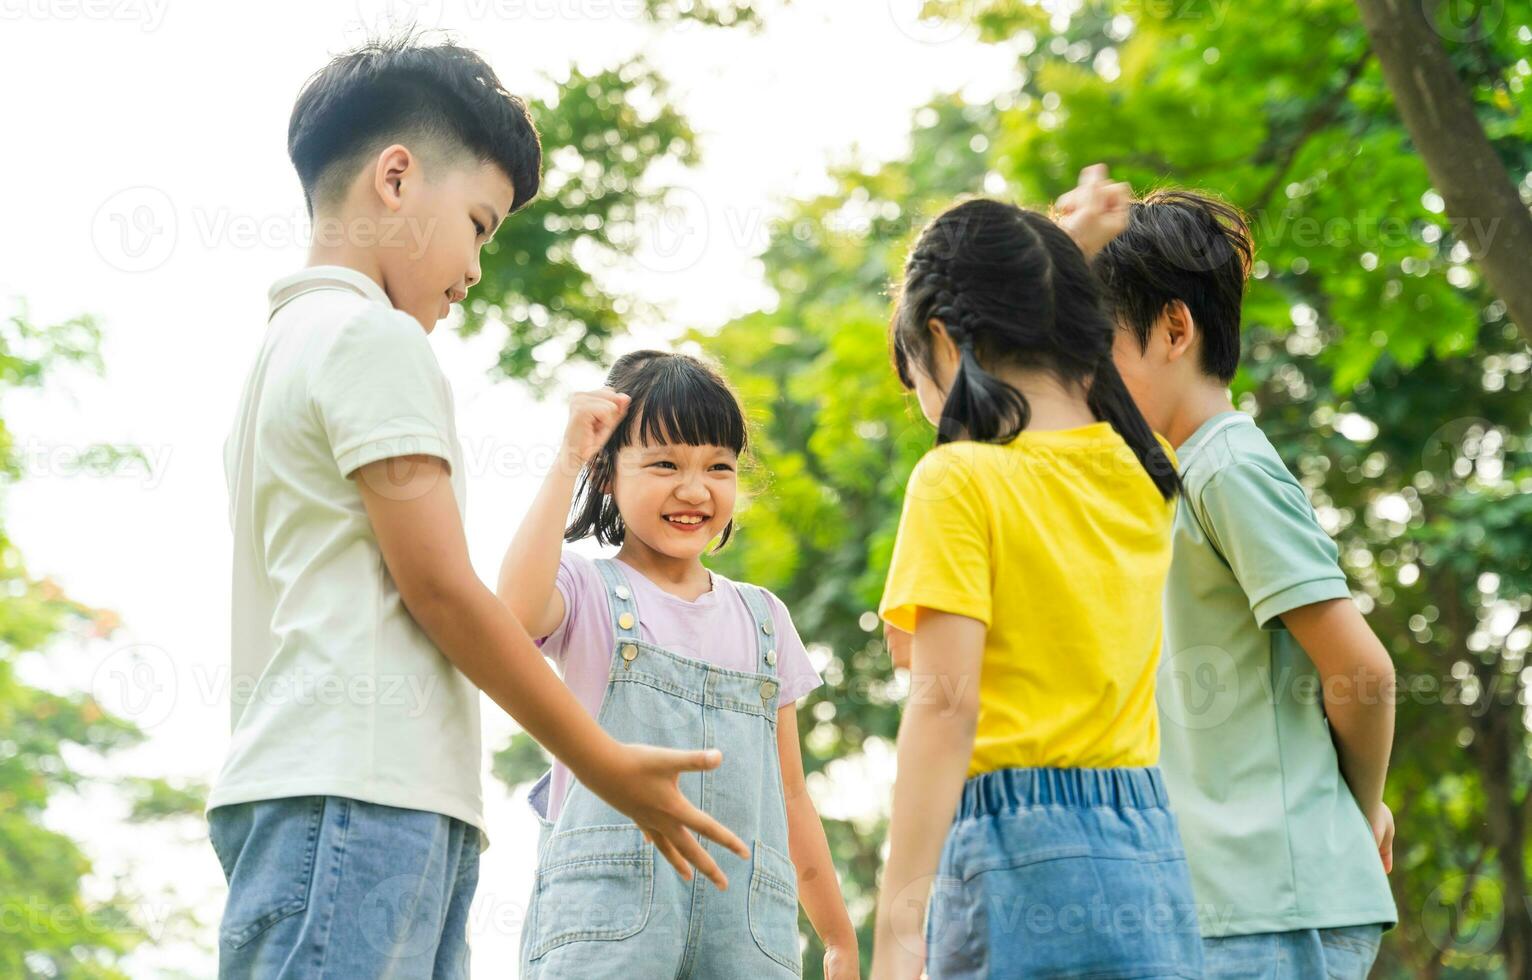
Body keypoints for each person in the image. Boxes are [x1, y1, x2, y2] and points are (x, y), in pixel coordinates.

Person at [207, 33, 747, 979]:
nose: (477, 266)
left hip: (337, 792)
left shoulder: (282, 349)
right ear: (397, 177)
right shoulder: (372, 339)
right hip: (358, 798)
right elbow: (446, 591)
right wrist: (606, 763)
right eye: (481, 224)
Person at [869, 197, 1203, 979]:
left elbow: (944, 706)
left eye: (914, 370)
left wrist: (895, 939)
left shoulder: (959, 480)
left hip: (1013, 849)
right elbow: (1059, 395)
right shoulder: (1146, 466)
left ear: (944, 342)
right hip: (1146, 845)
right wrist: (1061, 257)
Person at [1093, 186, 1398, 977]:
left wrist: (1355, 814)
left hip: (1277, 910)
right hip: (1223, 908)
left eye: (1100, 353)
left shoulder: (1228, 466)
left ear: (1174, 328)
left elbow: (1362, 672)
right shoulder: (1176, 480)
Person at [500, 350, 859, 979]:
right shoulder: (586, 591)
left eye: (717, 467)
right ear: (608, 474)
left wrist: (837, 936)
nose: (694, 489)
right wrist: (567, 460)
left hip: (747, 938)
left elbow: (792, 796)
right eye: (665, 463)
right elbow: (511, 615)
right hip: (605, 934)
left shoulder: (764, 619)